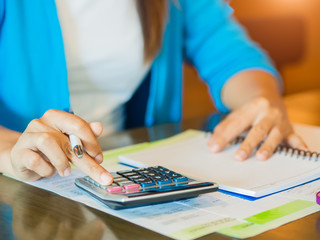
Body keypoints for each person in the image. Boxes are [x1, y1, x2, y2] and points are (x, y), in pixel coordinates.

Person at [0, 0, 306, 186]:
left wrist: (258, 102)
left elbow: (232, 54)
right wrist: (12, 150)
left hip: (120, 174)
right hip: (16, 183)